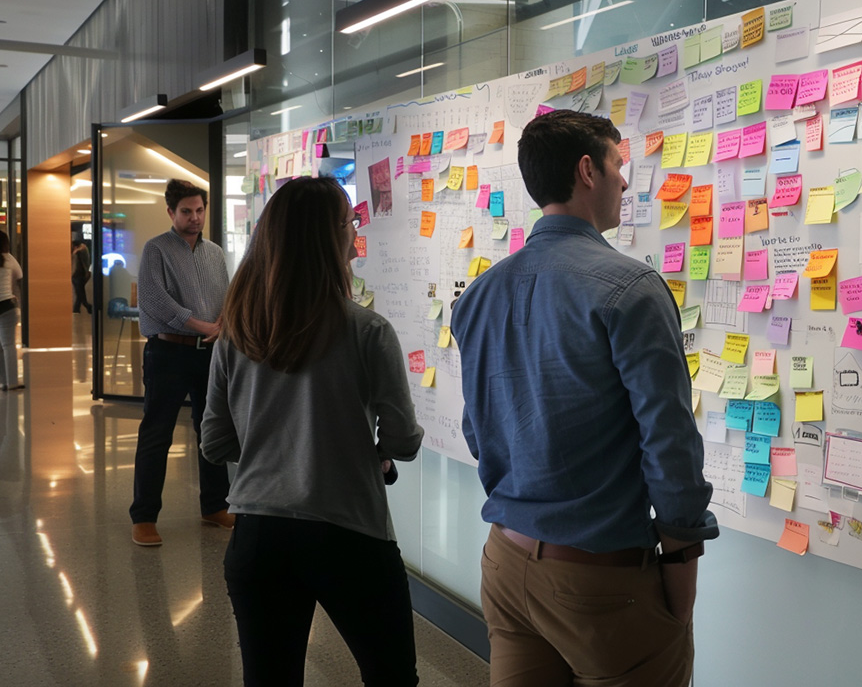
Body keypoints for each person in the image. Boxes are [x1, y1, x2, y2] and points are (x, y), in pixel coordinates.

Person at [451, 109, 718, 687]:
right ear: (586, 171)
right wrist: (681, 576)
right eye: (618, 163)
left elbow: (479, 432)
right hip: (599, 583)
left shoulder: (478, 294)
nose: (625, 179)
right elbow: (670, 447)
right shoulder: (632, 288)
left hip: (504, 563)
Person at [201, 176, 423, 686]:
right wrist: (375, 453)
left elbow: (215, 443)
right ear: (332, 237)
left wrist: (268, 447)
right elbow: (404, 442)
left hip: (258, 536)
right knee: (391, 677)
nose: (354, 233)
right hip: (351, 532)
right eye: (349, 223)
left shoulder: (236, 332)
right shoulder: (368, 331)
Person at [129, 179, 233, 546]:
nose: (195, 218)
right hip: (167, 353)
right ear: (171, 212)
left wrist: (222, 323)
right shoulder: (156, 249)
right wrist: (199, 323)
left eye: (200, 210)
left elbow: (227, 295)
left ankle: (214, 504)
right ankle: (143, 516)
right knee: (157, 432)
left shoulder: (215, 254)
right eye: (186, 211)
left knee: (212, 428)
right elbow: (155, 300)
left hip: (210, 353)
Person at [0, 232, 22, 390]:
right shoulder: (8, 258)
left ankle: (2, 381)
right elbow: (19, 276)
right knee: (8, 345)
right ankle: (12, 382)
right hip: (7, 304)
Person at [72, 240, 93, 314]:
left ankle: (88, 307)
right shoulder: (84, 250)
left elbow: (77, 266)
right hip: (81, 275)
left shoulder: (79, 252)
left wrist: (72, 273)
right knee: (80, 293)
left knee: (80, 293)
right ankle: (76, 309)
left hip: (78, 275)